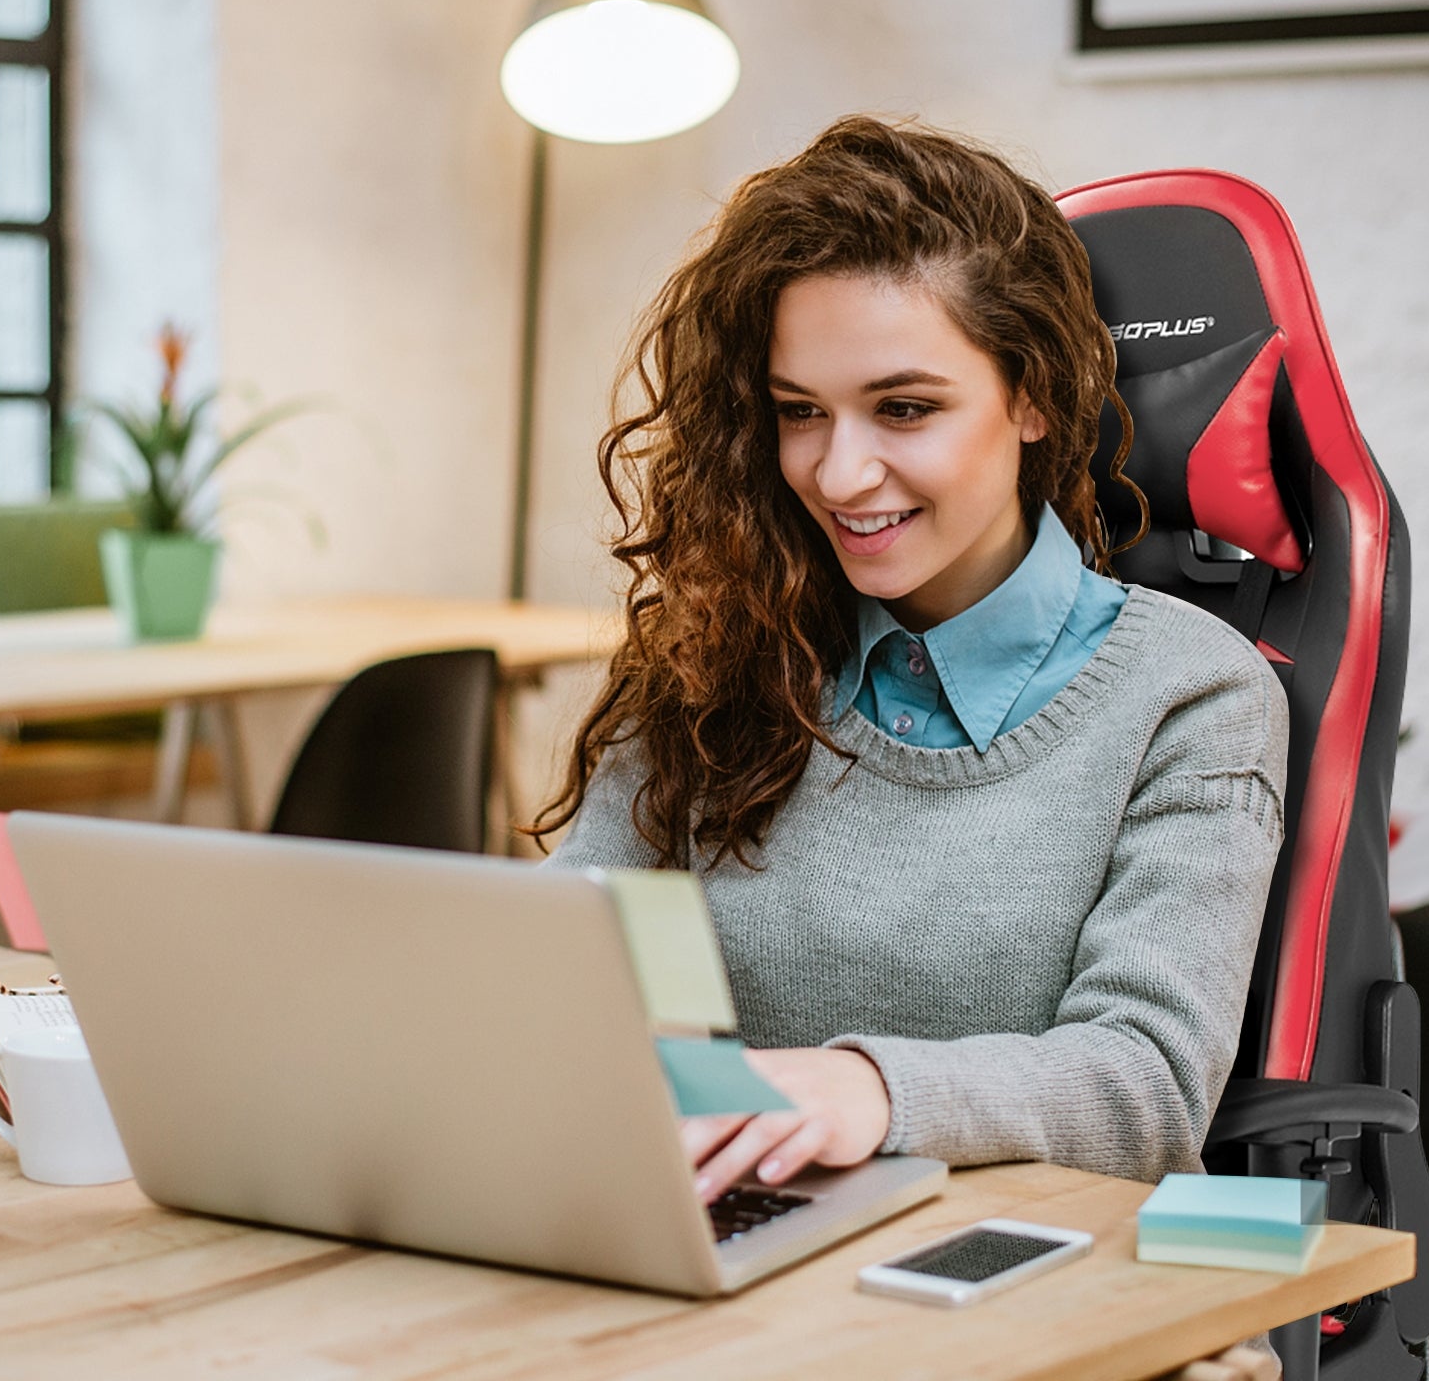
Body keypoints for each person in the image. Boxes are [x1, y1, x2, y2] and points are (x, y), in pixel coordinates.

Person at [539, 113, 1287, 1212]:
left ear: (1032, 395)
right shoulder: (725, 653)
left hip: (1029, 1290)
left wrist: (864, 1088)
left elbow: (1144, 1085)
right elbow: (564, 957)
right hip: (738, 1251)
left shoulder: (1190, 697)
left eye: (904, 408)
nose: (841, 474)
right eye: (800, 413)